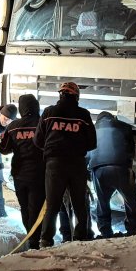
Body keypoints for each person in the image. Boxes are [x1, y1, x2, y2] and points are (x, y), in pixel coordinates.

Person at [33, 81, 97, 246]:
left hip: (54, 163)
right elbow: (92, 143)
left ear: (60, 94)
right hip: (76, 163)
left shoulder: (49, 112)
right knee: (79, 204)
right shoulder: (83, 114)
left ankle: (46, 240)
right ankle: (80, 237)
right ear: (76, 96)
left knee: (52, 204)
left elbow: (38, 140)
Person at [88, 111, 136, 237]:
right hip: (121, 167)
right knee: (130, 200)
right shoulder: (124, 126)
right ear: (113, 117)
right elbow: (131, 149)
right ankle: (134, 227)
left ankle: (105, 231)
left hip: (100, 169)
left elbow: (87, 152)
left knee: (102, 202)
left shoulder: (91, 130)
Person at [0, 95, 45, 248]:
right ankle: (35, 240)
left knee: (25, 207)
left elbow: (4, 150)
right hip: (39, 174)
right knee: (37, 208)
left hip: (19, 174)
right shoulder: (42, 124)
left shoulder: (13, 127)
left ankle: (30, 236)